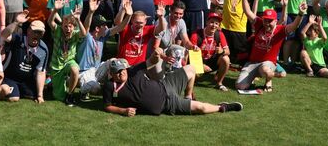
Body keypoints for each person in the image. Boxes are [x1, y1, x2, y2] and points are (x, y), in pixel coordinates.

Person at [103, 48, 243, 116]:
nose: (122, 73)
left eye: (123, 70)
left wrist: (156, 54)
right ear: (112, 74)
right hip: (168, 105)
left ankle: (188, 95)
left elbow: (151, 60)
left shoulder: (133, 70)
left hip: (166, 84)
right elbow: (107, 106)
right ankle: (223, 107)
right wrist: (123, 111)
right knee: (202, 108)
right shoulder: (110, 86)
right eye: (118, 72)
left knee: (191, 68)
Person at [237, 0, 307, 92]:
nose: (267, 23)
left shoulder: (280, 30)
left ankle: (268, 80)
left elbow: (294, 26)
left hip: (267, 63)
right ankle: (255, 77)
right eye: (265, 20)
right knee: (240, 86)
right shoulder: (259, 24)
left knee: (266, 70)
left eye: (270, 21)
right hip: (252, 62)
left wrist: (300, 14)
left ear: (275, 21)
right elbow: (247, 11)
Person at [77, 0, 131, 100]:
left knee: (117, 62)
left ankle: (119, 88)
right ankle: (75, 82)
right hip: (84, 71)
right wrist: (91, 12)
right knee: (95, 89)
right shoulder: (86, 37)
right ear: (97, 28)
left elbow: (120, 27)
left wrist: (128, 15)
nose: (106, 27)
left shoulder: (102, 36)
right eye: (104, 25)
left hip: (97, 69)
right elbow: (87, 26)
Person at [0, 12, 49, 103]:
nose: (36, 35)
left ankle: (17, 90)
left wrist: (40, 95)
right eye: (34, 31)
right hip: (10, 76)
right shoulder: (18, 39)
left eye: (39, 33)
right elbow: (4, 35)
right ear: (29, 31)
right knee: (13, 98)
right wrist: (16, 22)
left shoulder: (43, 49)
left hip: (26, 80)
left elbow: (41, 72)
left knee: (32, 95)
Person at [48, 6, 86, 106]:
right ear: (62, 26)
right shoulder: (58, 31)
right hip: (56, 65)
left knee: (75, 69)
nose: (68, 29)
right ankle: (52, 84)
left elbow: (84, 33)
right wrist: (55, 10)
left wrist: (78, 20)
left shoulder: (75, 34)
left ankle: (70, 95)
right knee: (58, 97)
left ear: (74, 27)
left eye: (70, 27)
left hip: (69, 62)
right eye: (65, 26)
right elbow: (50, 22)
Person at [190, 12, 231, 91]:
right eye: (212, 22)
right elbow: (191, 53)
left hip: (213, 61)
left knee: (226, 59)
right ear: (207, 22)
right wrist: (201, 65)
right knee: (195, 78)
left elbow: (228, 51)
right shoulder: (197, 34)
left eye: (216, 23)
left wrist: (222, 51)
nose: (214, 25)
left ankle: (219, 83)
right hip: (199, 61)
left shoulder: (220, 34)